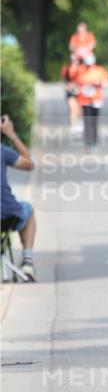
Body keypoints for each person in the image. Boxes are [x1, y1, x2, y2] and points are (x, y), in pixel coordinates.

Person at [1, 115, 36, 281]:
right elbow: (30, 164)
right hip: (7, 216)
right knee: (28, 210)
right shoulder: (2, 151)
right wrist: (11, 134)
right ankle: (27, 262)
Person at [76, 54, 108, 150]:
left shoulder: (100, 70)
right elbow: (77, 84)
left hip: (96, 100)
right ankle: (88, 143)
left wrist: (98, 84)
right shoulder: (80, 71)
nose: (88, 67)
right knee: (87, 121)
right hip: (85, 100)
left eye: (89, 65)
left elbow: (105, 84)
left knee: (94, 121)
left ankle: (94, 141)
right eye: (86, 64)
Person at [60, 54, 83, 130]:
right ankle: (73, 125)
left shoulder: (81, 69)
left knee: (79, 109)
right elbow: (64, 82)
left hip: (79, 92)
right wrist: (68, 88)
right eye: (73, 60)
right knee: (72, 108)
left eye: (76, 60)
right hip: (70, 92)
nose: (74, 62)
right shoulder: (66, 69)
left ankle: (78, 122)